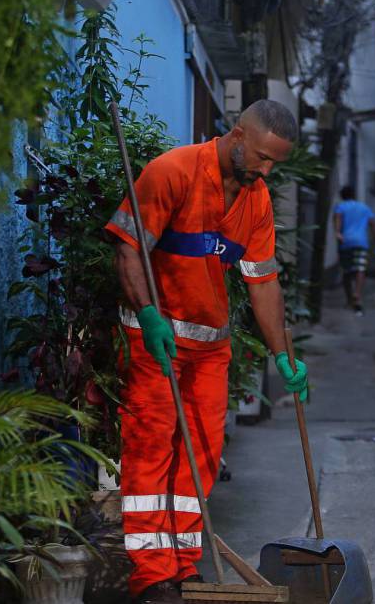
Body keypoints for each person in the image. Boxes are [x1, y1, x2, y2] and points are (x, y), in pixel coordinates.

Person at [105, 99, 310, 604]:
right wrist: (147, 314)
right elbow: (128, 248)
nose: (266, 170)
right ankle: (152, 576)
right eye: (262, 157)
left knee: (201, 454)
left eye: (275, 163)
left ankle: (182, 563)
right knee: (151, 449)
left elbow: (263, 282)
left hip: (209, 347)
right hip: (155, 340)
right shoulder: (172, 172)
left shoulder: (256, 200)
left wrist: (282, 354)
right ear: (238, 135)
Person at [333, 186, 375, 315]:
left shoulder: (340, 207)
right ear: (354, 195)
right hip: (361, 242)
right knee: (360, 268)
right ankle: (357, 294)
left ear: (342, 196)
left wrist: (338, 233)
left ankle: (349, 299)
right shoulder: (364, 208)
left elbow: (338, 219)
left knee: (347, 271)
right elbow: (373, 225)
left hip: (346, 242)